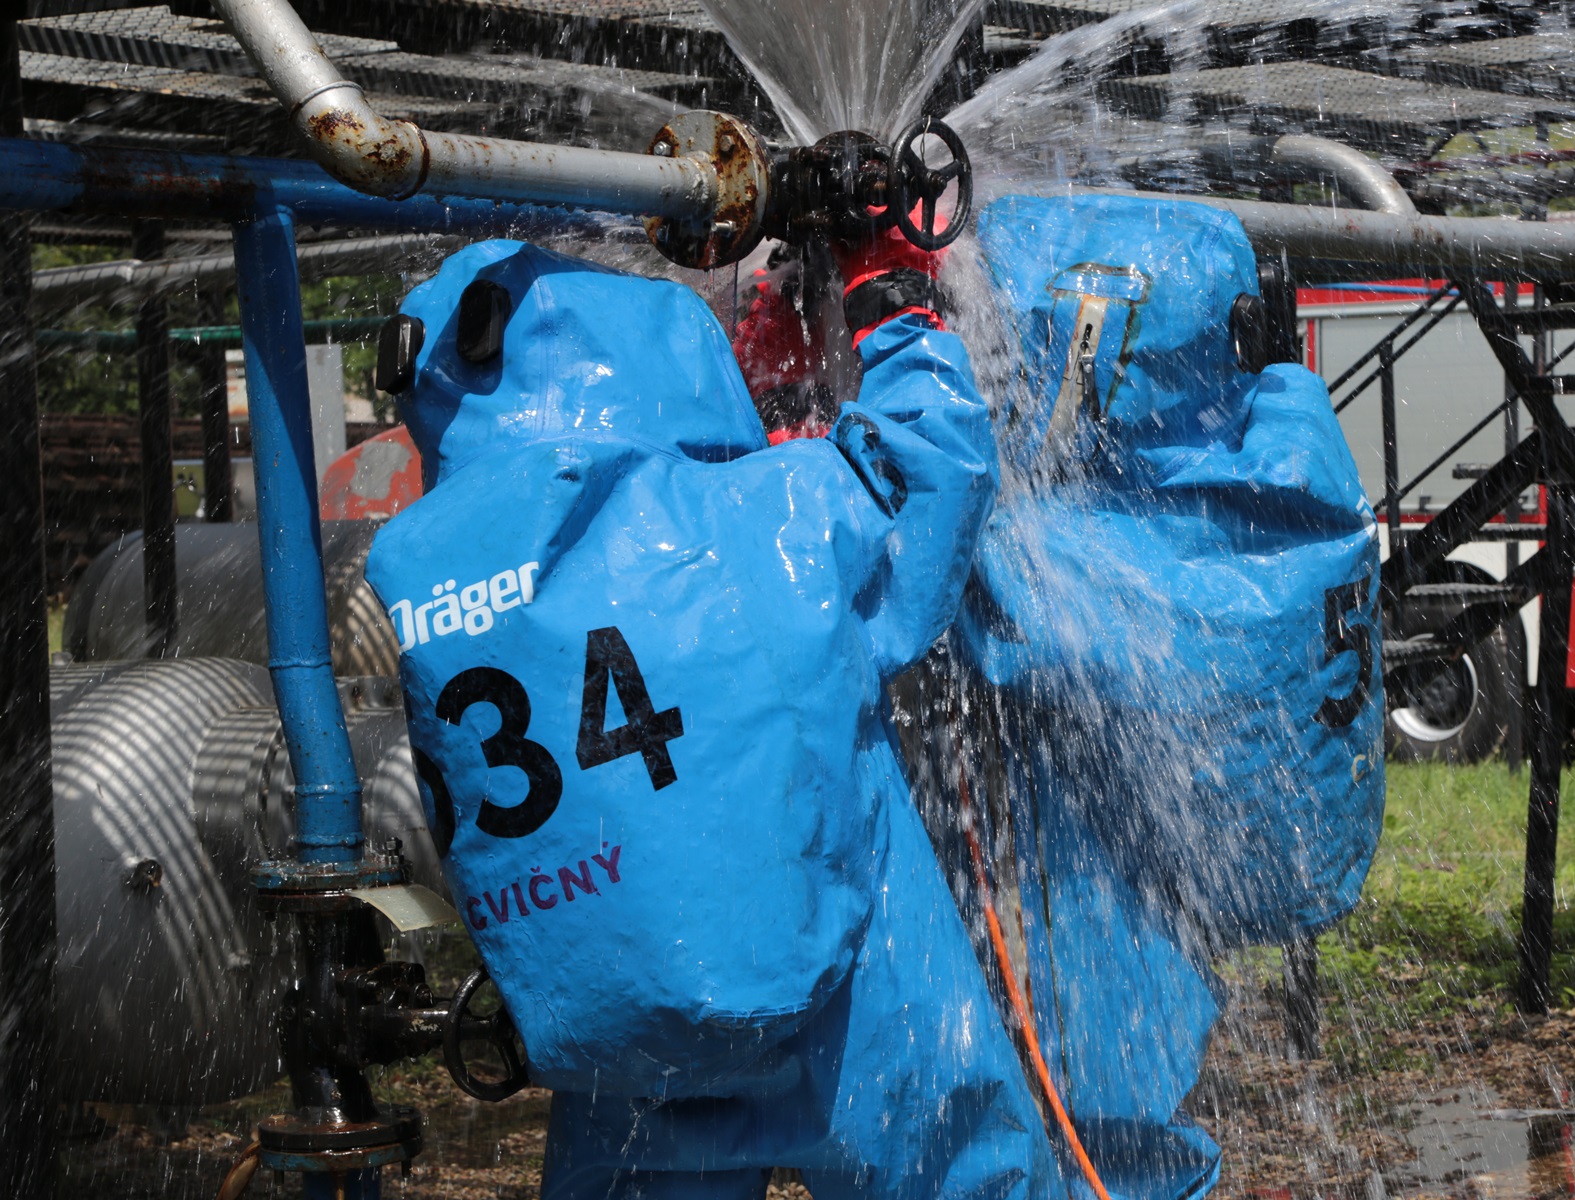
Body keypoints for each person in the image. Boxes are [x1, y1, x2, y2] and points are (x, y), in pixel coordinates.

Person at [362, 237, 1056, 1200]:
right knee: (952, 1167)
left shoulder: (433, 582)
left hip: (619, 1027)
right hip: (845, 1004)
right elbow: (932, 463)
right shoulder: (760, 518)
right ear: (669, 349)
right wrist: (890, 296)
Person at [921, 193, 1388, 1200]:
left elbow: (991, 600)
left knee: (1096, 1089)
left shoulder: (1104, 561)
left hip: (1130, 884)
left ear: (1088, 336)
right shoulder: (1283, 441)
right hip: (1231, 847)